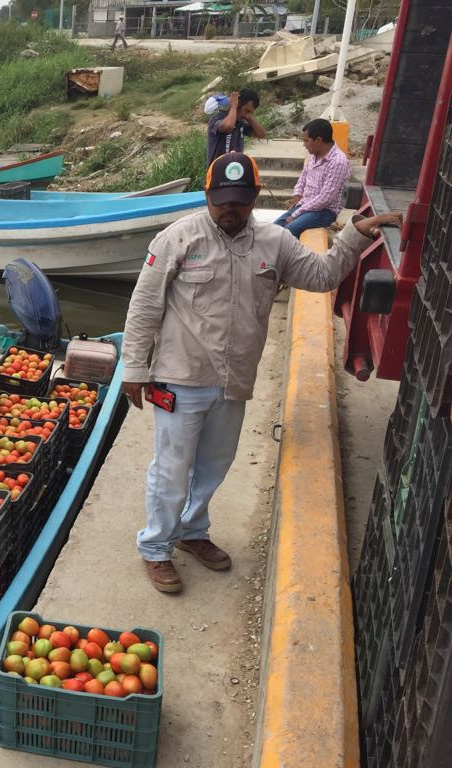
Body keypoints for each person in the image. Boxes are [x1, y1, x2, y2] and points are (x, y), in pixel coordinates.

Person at [121, 152, 402, 593]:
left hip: (234, 380)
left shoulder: (275, 241)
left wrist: (352, 235)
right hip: (181, 378)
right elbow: (144, 307)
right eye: (221, 201)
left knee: (215, 465)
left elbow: (322, 275)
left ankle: (193, 532)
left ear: (253, 198)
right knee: (172, 469)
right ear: (208, 196)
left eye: (240, 200)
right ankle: (156, 547)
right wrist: (134, 368)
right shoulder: (177, 238)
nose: (230, 209)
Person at [274, 118, 351, 238]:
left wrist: (295, 214)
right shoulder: (313, 154)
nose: (304, 145)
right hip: (305, 205)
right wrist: (297, 195)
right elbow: (303, 176)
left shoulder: (338, 162)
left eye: (306, 141)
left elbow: (325, 199)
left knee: (287, 232)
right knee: (274, 228)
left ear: (318, 140)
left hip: (324, 211)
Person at [207, 90, 266, 165]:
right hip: (217, 171)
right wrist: (233, 106)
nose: (246, 115)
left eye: (251, 112)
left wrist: (249, 117)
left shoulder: (240, 123)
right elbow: (229, 126)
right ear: (239, 103)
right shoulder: (217, 118)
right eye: (247, 110)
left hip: (235, 172)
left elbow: (261, 134)